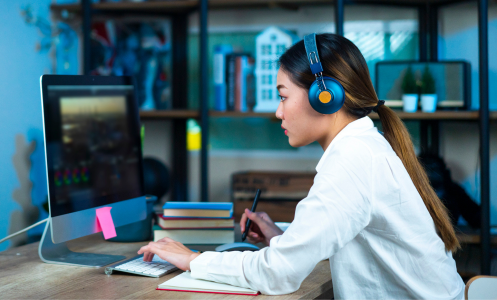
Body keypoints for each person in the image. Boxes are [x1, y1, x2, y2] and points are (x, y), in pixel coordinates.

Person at [138, 33, 465, 299]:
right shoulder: (363, 147)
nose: (278, 112)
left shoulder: (351, 162)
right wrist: (285, 238)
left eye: (283, 96)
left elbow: (279, 275)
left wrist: (193, 259)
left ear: (326, 96)